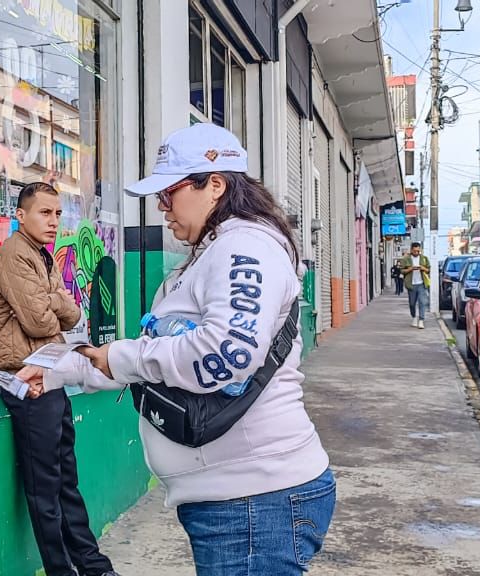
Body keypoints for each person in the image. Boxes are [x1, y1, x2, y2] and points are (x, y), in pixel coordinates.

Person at [21, 124, 335, 576]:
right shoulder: (210, 254)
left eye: (169, 194)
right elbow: (155, 356)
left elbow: (229, 352)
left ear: (216, 186)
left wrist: (124, 358)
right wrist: (58, 373)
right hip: (235, 504)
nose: (162, 209)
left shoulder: (244, 246)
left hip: (254, 504)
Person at [0, 182, 119, 576]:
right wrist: (54, 302)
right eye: (45, 212)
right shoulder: (14, 257)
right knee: (45, 491)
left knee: (66, 484)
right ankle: (61, 570)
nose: (54, 221)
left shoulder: (43, 257)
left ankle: (93, 566)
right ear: (20, 215)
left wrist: (53, 301)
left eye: (57, 213)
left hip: (51, 378)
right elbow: (40, 320)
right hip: (25, 383)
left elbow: (73, 315)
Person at [399, 242, 431, 329]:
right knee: (412, 303)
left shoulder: (424, 259)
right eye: (414, 251)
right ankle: (414, 317)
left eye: (418, 251)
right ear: (411, 250)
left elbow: (429, 269)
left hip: (421, 283)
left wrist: (423, 268)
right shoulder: (406, 259)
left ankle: (421, 320)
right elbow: (402, 271)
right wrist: (410, 269)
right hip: (411, 284)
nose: (416, 253)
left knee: (422, 302)